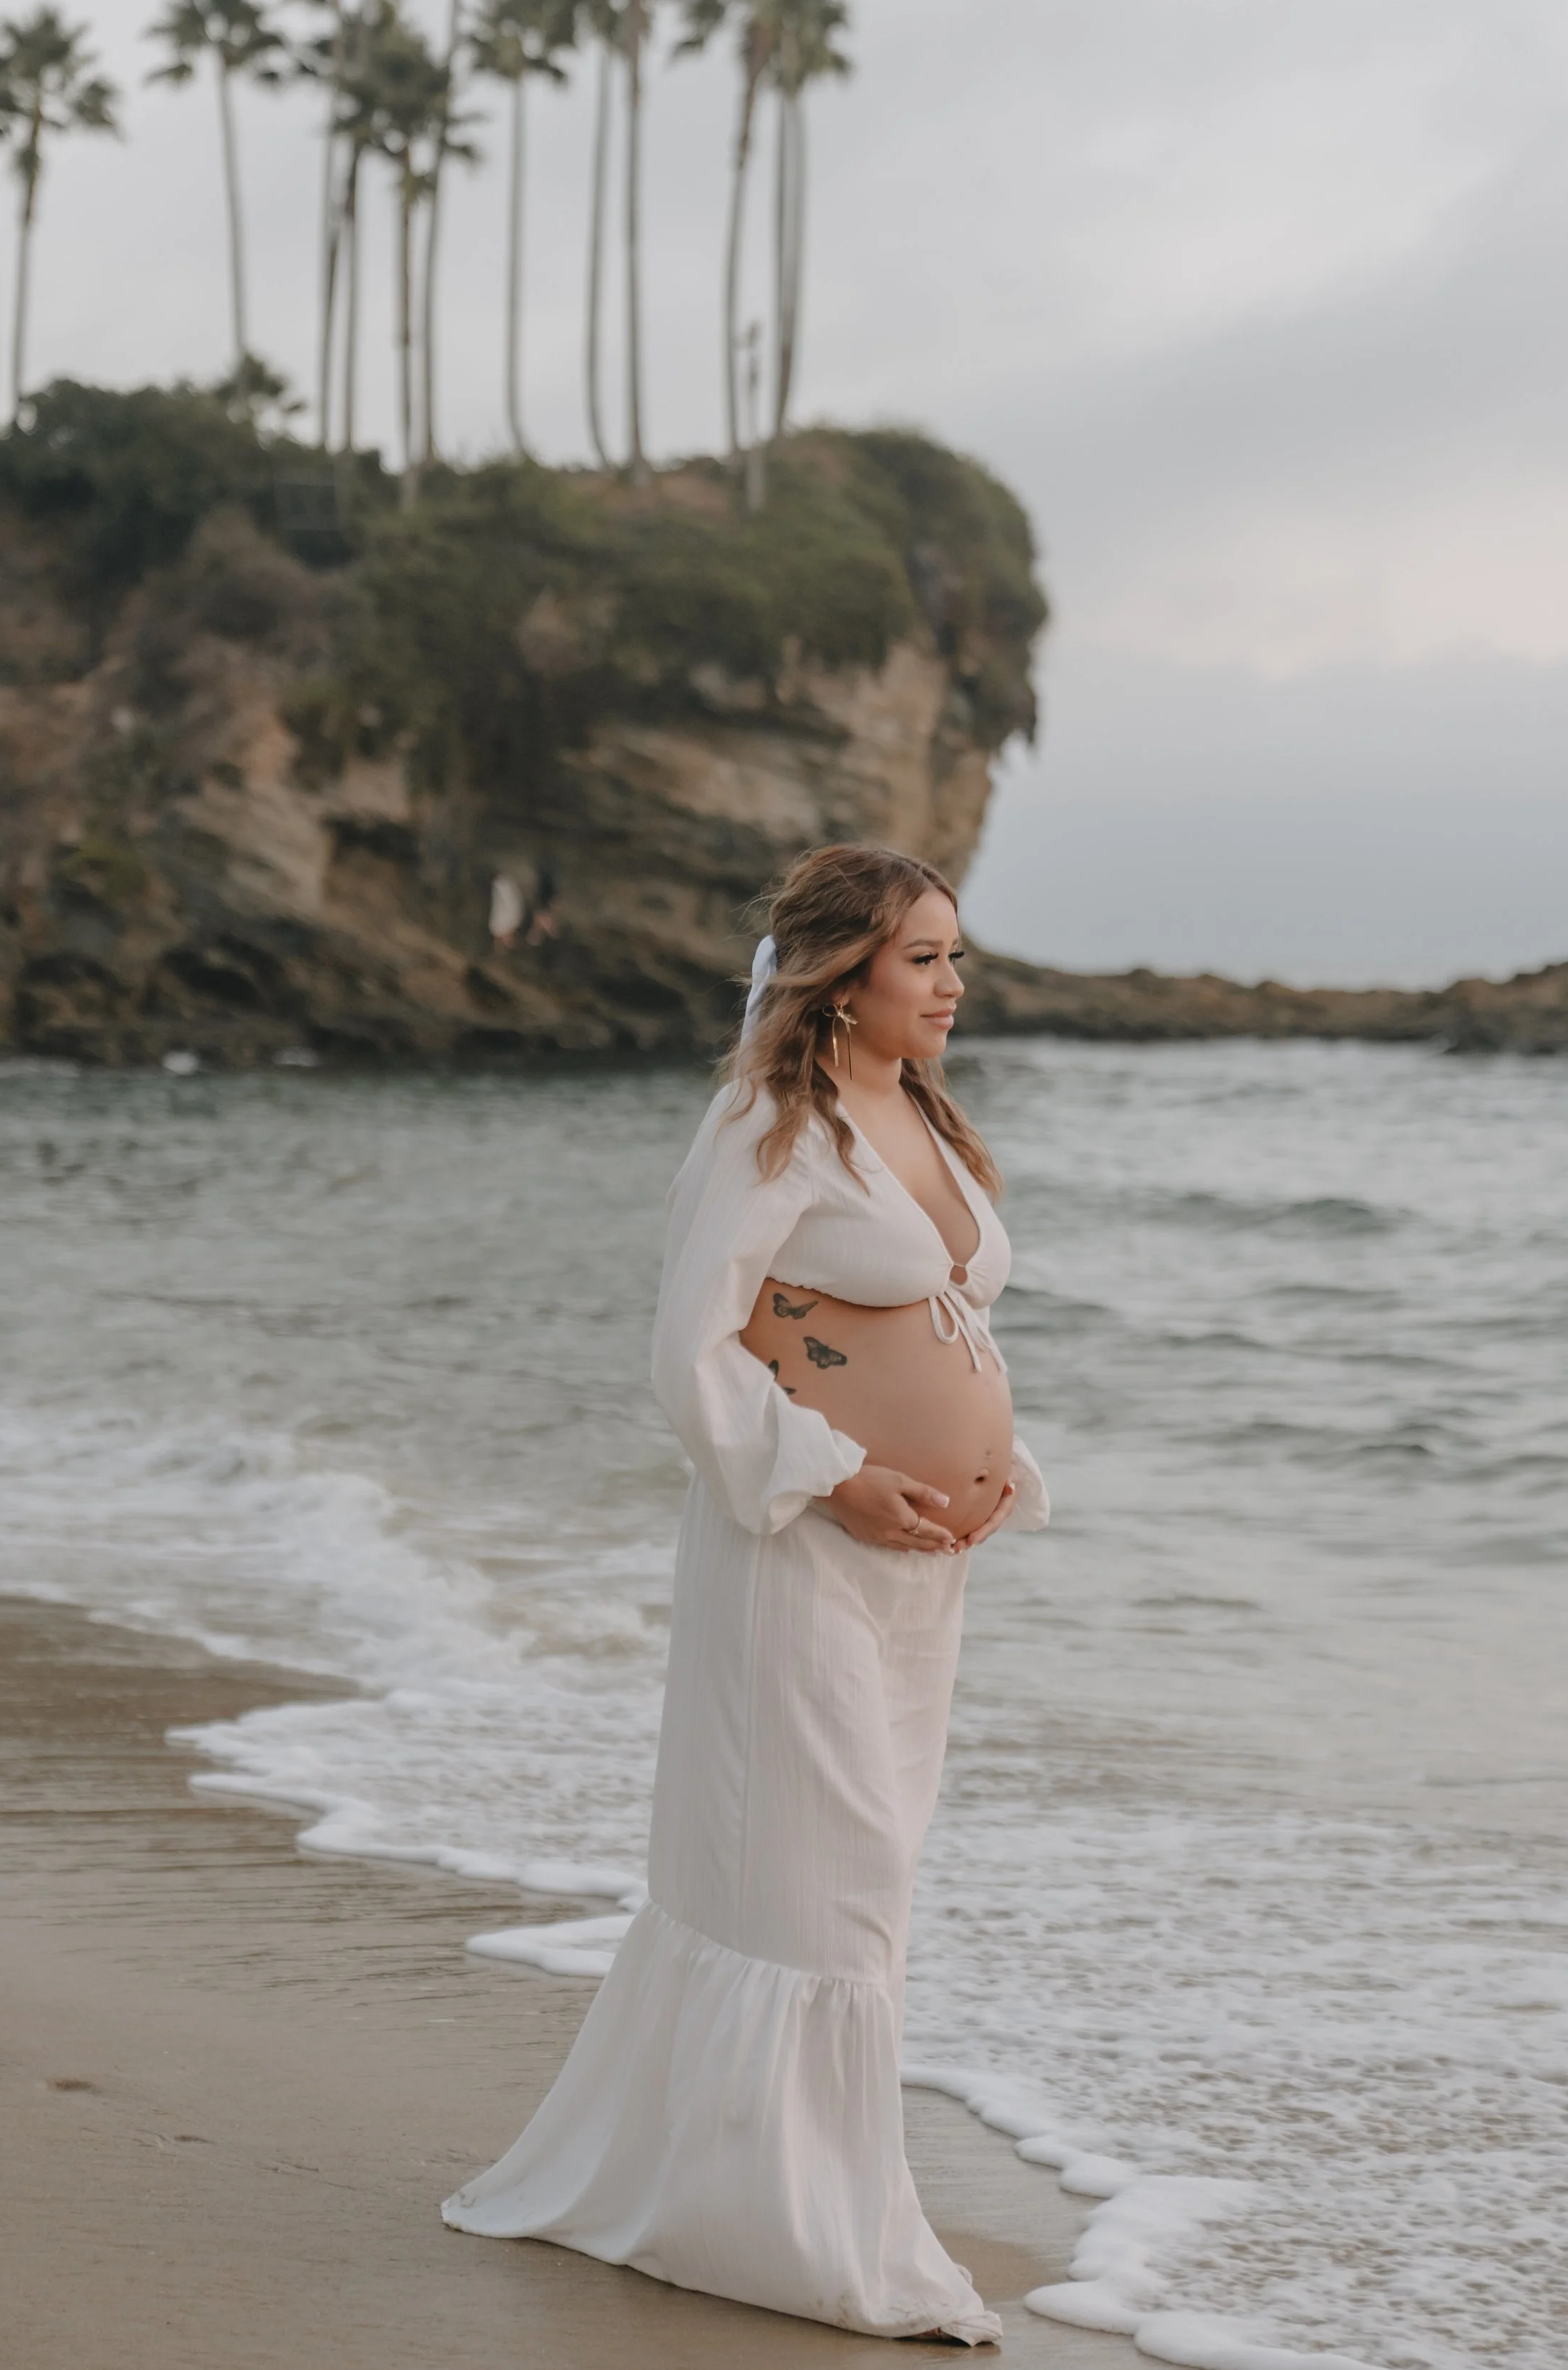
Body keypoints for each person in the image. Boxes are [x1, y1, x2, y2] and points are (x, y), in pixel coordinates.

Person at [443, 843, 1048, 2344]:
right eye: (922, 958)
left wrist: (986, 1470)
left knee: (865, 1873)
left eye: (952, 955)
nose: (952, 983)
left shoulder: (921, 1114)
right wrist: (838, 1472)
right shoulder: (762, 1126)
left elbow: (926, 1324)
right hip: (796, 1546)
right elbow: (688, 1352)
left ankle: (745, 2188)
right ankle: (812, 2231)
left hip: (916, 1573)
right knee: (827, 1879)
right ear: (840, 978)